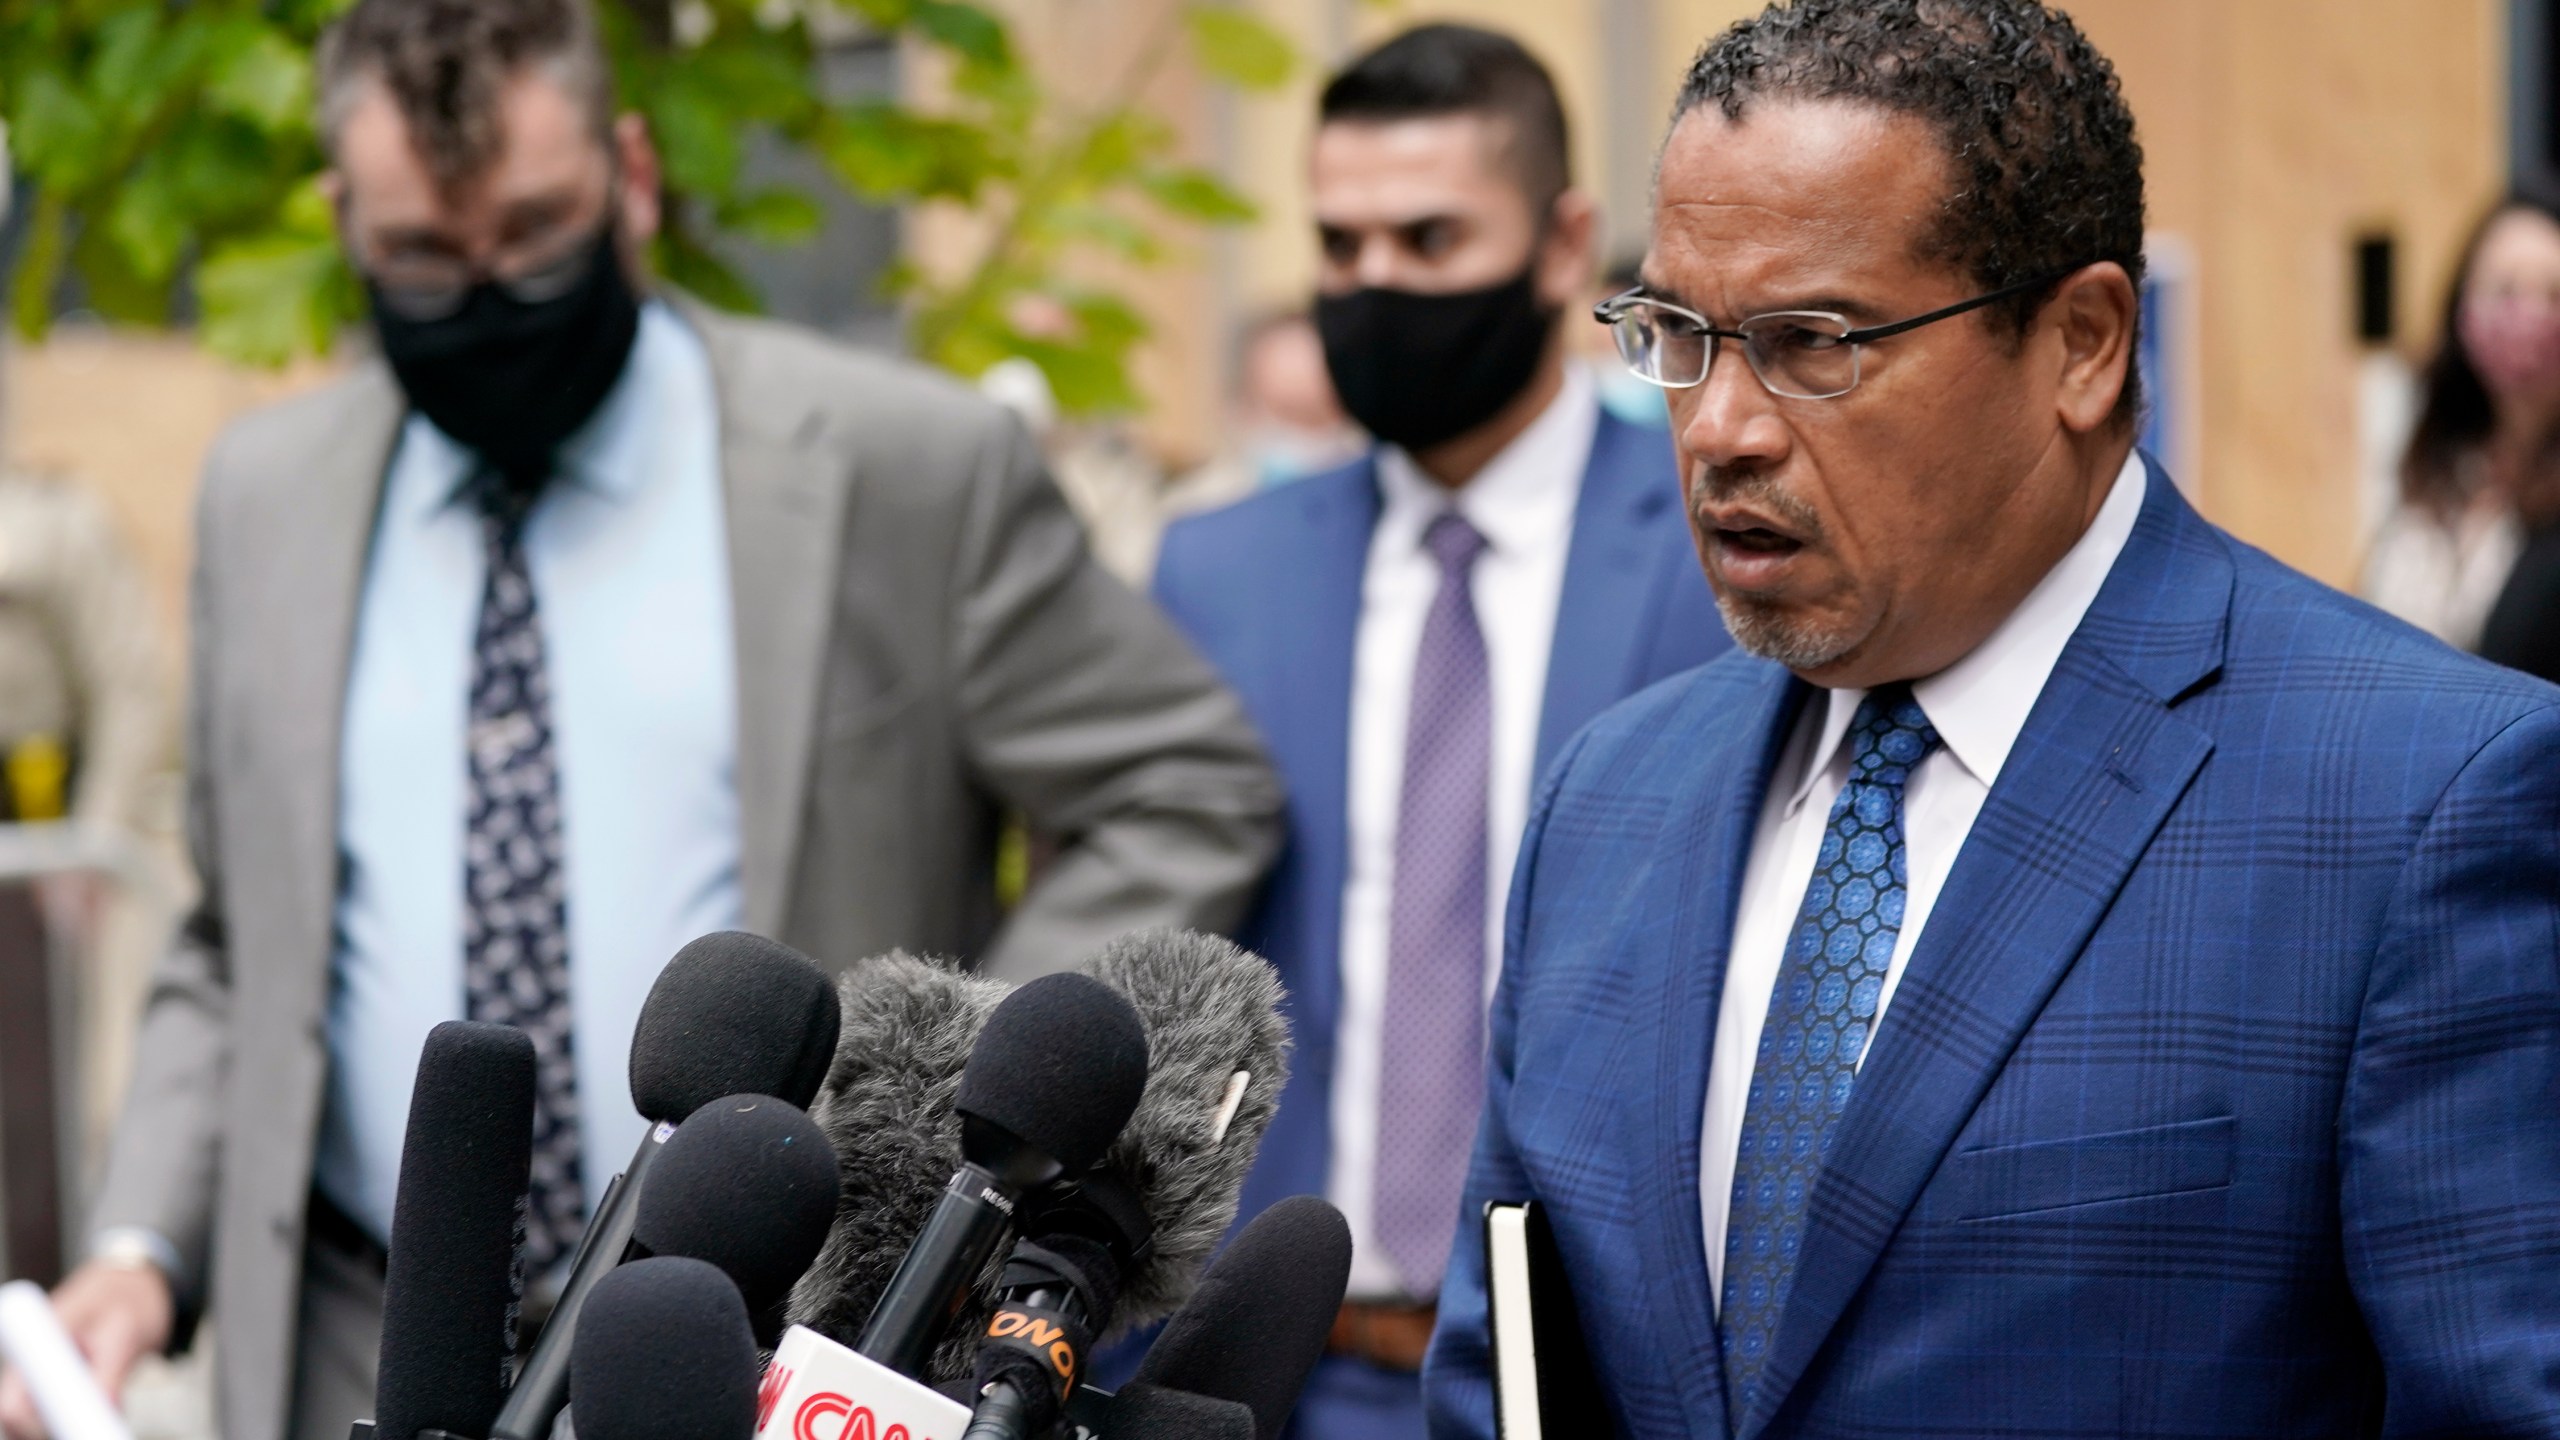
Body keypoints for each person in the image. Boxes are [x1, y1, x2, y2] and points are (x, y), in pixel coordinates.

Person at [0, 3, 1283, 1439]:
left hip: (771, 1331)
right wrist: (135, 1254)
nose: (488, 292)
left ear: (634, 175)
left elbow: (1184, 782)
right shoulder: (263, 493)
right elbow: (238, 942)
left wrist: (967, 1084)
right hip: (360, 1341)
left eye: (537, 235)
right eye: (426, 254)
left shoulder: (900, 470)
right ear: (337, 215)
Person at [1425, 2, 2560, 1436]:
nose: (1720, 428)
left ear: (2082, 342)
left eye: (1811, 341)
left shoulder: (2426, 804)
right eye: (1677, 335)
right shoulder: (1610, 800)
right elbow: (1509, 1383)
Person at [1149, 25, 1727, 1439]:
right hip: (1261, 1360)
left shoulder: (1716, 545)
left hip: (1593, 1361)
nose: (1376, 284)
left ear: (1562, 242)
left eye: (1428, 236)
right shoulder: (1218, 570)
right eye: (1340, 247)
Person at [0, 471, 168, 1286]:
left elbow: (132, 684)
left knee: (34, 1123)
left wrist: (89, 842)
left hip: (31, 864)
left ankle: (36, 1326)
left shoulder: (51, 523)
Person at [2364, 181, 2560, 668]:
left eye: (2554, 294)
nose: (2528, 316)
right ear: (2463, 307)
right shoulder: (2438, 465)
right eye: (2505, 289)